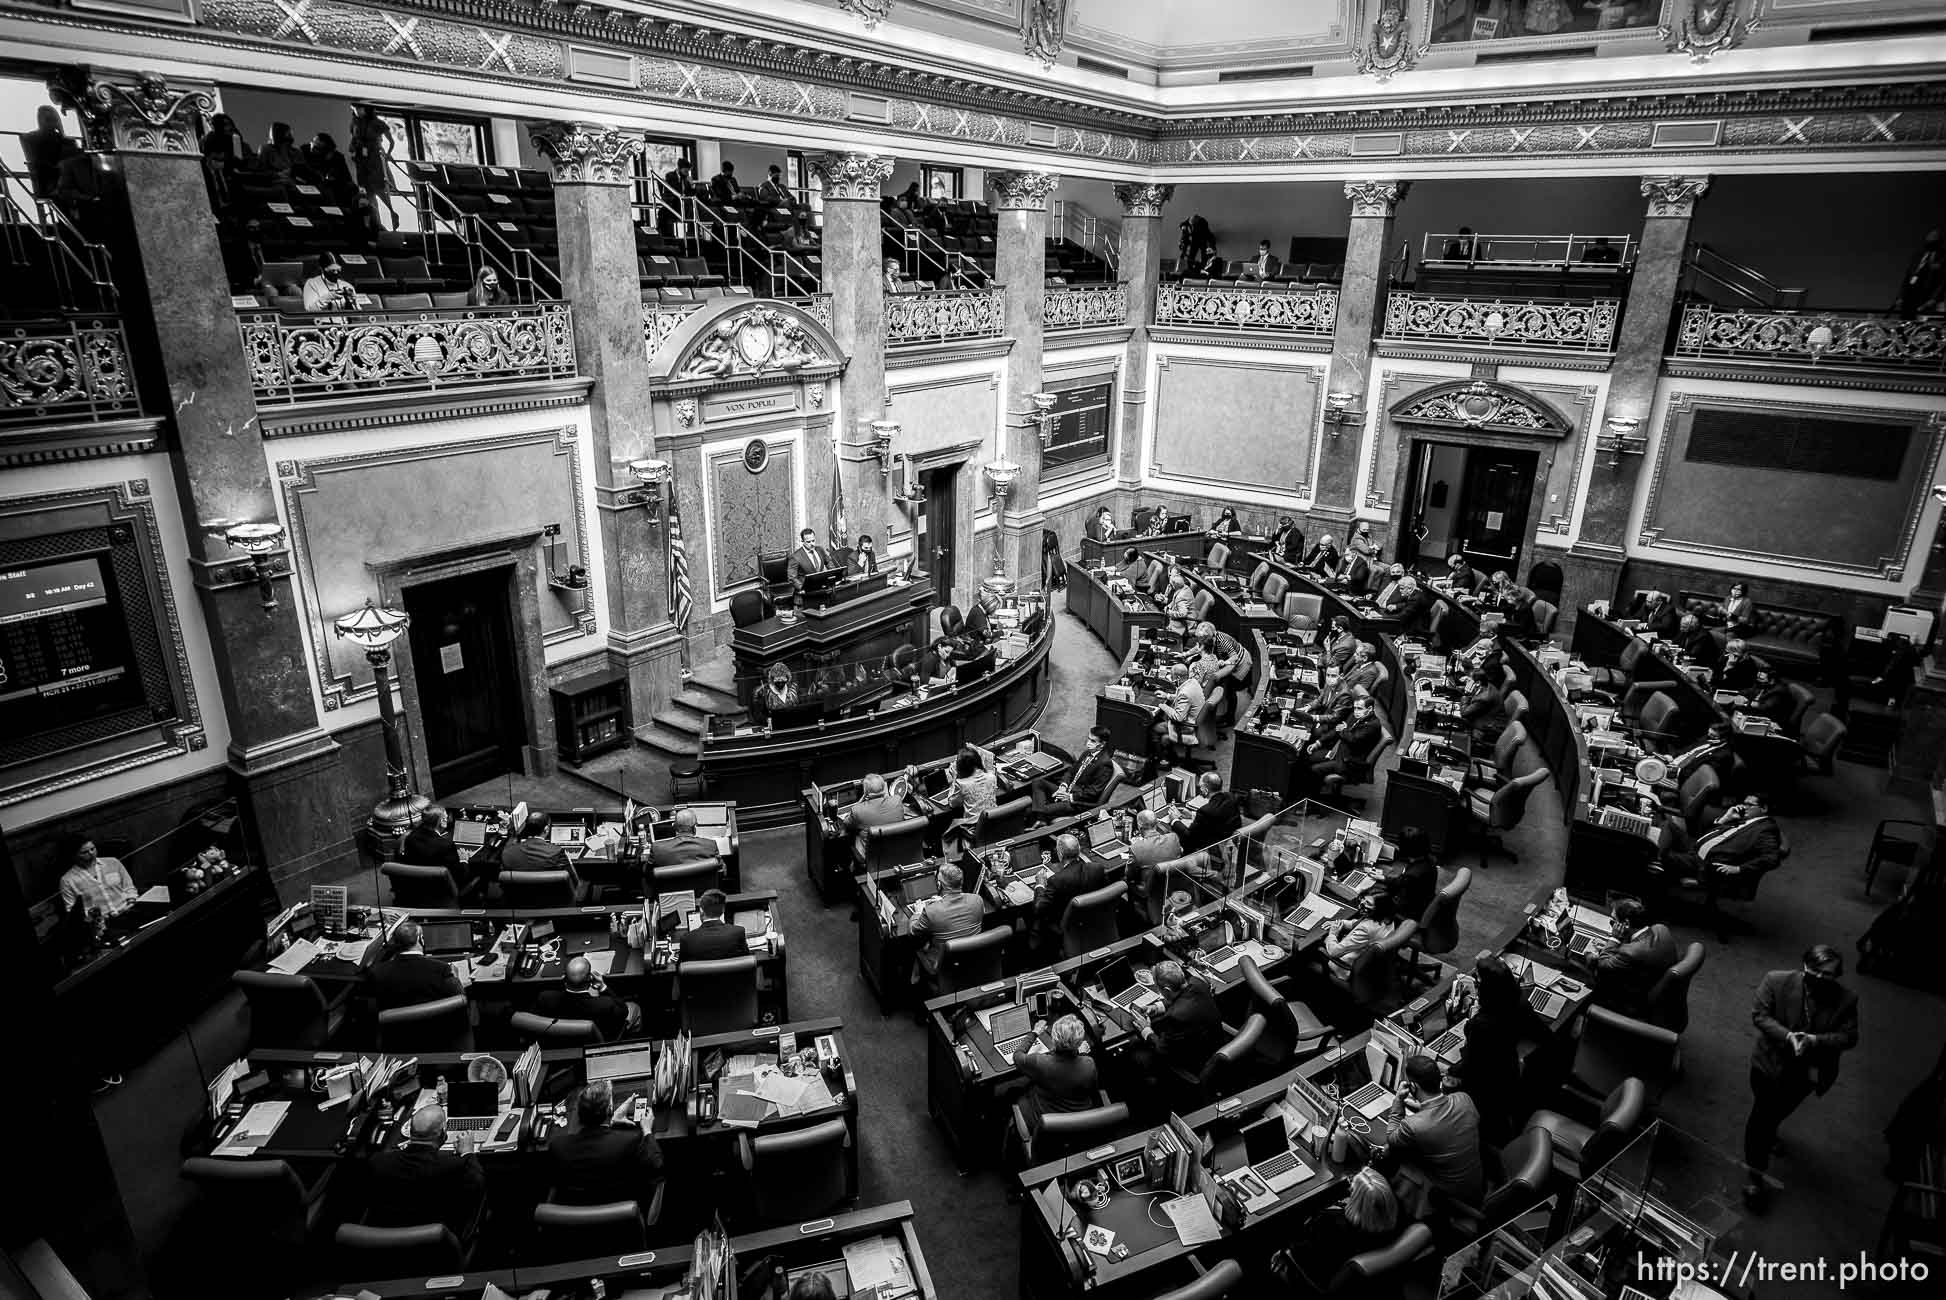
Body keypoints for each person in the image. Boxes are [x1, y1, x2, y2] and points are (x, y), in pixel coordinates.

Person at [1742, 945, 1859, 1208]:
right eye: (1814, 971)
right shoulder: (1776, 980)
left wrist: (1815, 1041)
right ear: (1804, 966)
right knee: (1761, 1117)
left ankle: (1770, 1133)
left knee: (1778, 1111)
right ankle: (1755, 1174)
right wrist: (1788, 1036)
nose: (1819, 978)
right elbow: (1760, 1015)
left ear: (1837, 975)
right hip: (1769, 1064)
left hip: (1807, 1073)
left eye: (1827, 974)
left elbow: (1849, 1037)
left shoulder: (1846, 1000)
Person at [1452, 955, 1548, 1145]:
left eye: (1478, 981)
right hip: (1509, 1074)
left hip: (1484, 1089)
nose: (1476, 984)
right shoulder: (1519, 1003)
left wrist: (1449, 1070)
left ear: (1487, 988)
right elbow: (1543, 1035)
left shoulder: (1481, 1024)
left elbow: (1470, 1065)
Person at [1381, 1055, 1486, 1217]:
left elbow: (1392, 1138)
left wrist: (1398, 1101)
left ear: (1413, 1087)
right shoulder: (1464, 1099)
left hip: (1447, 1195)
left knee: (1388, 1153)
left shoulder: (1414, 1126)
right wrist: (1423, 1107)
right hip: (1475, 1185)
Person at [364, 1103, 487, 1236]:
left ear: (410, 1131)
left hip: (385, 1245)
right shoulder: (455, 1167)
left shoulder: (377, 1162)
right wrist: (468, 1153)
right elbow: (478, 1187)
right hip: (436, 1246)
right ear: (443, 1132)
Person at [547, 1078, 664, 1205]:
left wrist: (612, 1123)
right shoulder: (629, 1141)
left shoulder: (558, 1146)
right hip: (621, 1215)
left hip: (576, 1218)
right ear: (608, 1110)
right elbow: (657, 1165)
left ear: (579, 1112)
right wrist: (647, 1130)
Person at [1288, 1167, 1401, 1288]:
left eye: (1352, 1189)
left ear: (1357, 1200)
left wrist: (1287, 1253)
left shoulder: (1331, 1224)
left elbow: (1302, 1252)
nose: (1349, 1188)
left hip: (1318, 1272)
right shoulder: (1393, 1220)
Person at [1660, 793, 1782, 902]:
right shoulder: (1743, 819)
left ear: (1764, 808)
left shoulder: (1766, 829)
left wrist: (1739, 869)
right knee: (1668, 824)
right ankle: (1657, 854)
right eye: (1744, 803)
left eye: (1750, 805)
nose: (1744, 807)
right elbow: (1708, 833)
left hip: (1703, 863)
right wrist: (1725, 819)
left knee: (1661, 855)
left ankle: (1656, 858)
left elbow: (1772, 858)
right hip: (1696, 846)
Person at [1589, 898, 1677, 1018]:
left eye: (1613, 921)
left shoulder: (1631, 952)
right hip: (1654, 985)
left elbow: (1603, 965)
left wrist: (1614, 939)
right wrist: (1612, 946)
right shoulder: (1661, 929)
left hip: (1631, 1000)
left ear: (1625, 924)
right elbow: (1636, 947)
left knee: (1589, 972)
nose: (1612, 926)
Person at [1137, 960, 1224, 1078]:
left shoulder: (1176, 1016)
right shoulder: (1198, 983)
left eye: (1159, 989)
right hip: (1213, 1044)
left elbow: (1162, 1050)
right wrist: (1156, 1007)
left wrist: (1146, 1030)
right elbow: (1184, 997)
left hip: (1195, 1064)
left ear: (1167, 990)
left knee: (1138, 1056)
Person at [1015, 1014, 1099, 1132]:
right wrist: (1082, 1055)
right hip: (1081, 1121)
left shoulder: (1041, 1062)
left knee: (1015, 1094)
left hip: (1048, 1122)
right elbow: (1092, 1088)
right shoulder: (1089, 1063)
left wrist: (1034, 1032)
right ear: (1080, 1043)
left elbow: (1017, 1055)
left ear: (1054, 1039)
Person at [909, 861, 986, 981]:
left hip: (943, 964)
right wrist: (942, 901)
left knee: (916, 947)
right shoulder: (977, 900)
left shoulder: (931, 911)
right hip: (973, 958)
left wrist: (918, 912)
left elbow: (913, 931)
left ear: (939, 885)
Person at [537, 953, 640, 1041]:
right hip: (601, 1040)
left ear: (564, 978)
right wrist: (603, 988)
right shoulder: (606, 1004)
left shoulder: (544, 998)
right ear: (590, 979)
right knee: (634, 1007)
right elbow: (624, 1011)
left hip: (560, 1044)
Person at [1301, 692, 1385, 798]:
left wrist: (1343, 730)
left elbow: (1352, 739)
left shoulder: (1373, 726)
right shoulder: (1356, 716)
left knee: (1315, 769)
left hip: (1350, 762)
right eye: (1355, 708)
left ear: (1370, 709)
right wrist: (1319, 742)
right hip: (1339, 752)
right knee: (1306, 757)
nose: (1356, 711)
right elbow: (1338, 730)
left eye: (1360, 708)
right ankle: (1302, 793)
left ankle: (1312, 805)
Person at [367, 920, 463, 1011]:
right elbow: (460, 1000)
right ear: (420, 939)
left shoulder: (377, 972)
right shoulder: (443, 969)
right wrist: (455, 978)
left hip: (394, 1027)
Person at [1030, 726, 1119, 817]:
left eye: (1093, 741)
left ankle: (1039, 817)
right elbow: (1070, 772)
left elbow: (1093, 793)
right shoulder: (1087, 753)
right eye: (1088, 739)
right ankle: (1040, 819)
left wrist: (1069, 797)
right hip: (1068, 790)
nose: (1088, 743)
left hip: (1078, 802)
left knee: (1036, 810)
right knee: (1038, 782)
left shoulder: (1105, 764)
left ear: (1102, 744)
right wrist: (1063, 786)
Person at [1035, 834, 1104, 946]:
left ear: (1060, 853)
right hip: (1094, 920)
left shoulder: (1056, 880)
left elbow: (1038, 908)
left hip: (1067, 924)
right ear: (1079, 850)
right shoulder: (1097, 869)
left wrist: (1040, 885)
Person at [58, 837, 139, 920]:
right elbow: (72, 911)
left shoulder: (113, 862)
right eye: (84, 852)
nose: (91, 853)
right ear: (74, 855)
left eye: (92, 849)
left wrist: (131, 902)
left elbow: (129, 887)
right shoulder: (67, 880)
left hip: (128, 911)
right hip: (99, 924)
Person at [1325, 887, 1401, 973]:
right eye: (1363, 899)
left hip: (1345, 966)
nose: (1362, 903)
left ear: (1379, 908)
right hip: (1371, 963)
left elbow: (1334, 951)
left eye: (1368, 903)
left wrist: (1332, 935)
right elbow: (1357, 923)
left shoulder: (1366, 929)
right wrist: (1341, 923)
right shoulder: (1385, 918)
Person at [845, 772, 912, 863]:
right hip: (895, 850)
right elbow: (887, 801)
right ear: (884, 787)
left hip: (870, 856)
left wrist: (863, 797)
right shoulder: (897, 801)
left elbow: (847, 823)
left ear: (865, 791)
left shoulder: (857, 810)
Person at [1172, 771, 1243, 855]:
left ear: (1206, 790)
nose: (1199, 789)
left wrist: (1175, 820)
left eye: (1200, 787)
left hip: (1211, 847)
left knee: (1176, 836)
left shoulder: (1205, 811)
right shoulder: (1230, 797)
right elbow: (1217, 818)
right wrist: (1192, 815)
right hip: (1229, 838)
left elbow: (1189, 836)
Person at [347, 104, 395, 228]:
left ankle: (391, 212)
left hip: (374, 159)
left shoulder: (378, 123)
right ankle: (374, 222)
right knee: (364, 190)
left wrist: (388, 154)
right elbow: (352, 140)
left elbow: (391, 141)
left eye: (358, 108)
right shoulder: (355, 122)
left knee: (376, 187)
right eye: (354, 109)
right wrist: (353, 149)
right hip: (360, 159)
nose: (356, 111)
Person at [21, 105, 81, 200]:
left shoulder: (66, 141)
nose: (52, 122)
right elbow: (38, 162)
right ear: (40, 121)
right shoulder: (32, 139)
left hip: (68, 176)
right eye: (48, 119)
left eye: (54, 119)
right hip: (50, 179)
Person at [399, 805, 466, 889]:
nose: (447, 819)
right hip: (440, 889)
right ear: (442, 821)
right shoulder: (446, 846)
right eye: (445, 817)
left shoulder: (410, 838)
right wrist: (463, 858)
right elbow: (462, 875)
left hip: (416, 886)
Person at [679, 889, 749, 961]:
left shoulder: (687, 939)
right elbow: (747, 961)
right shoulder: (738, 932)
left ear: (701, 911)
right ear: (723, 911)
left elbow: (680, 968)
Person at [1386, 827, 1439, 923]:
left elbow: (1398, 885)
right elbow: (1402, 881)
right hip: (1422, 903)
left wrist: (1383, 879)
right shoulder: (1430, 860)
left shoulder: (1413, 874)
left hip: (1409, 913)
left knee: (1374, 894)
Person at [1127, 810, 1185, 897]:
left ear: (1139, 827)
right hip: (1174, 885)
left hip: (1150, 891)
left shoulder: (1136, 848)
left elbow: (1129, 875)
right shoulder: (1174, 837)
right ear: (1157, 823)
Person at [1154, 662, 1206, 755]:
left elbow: (1178, 717)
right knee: (1161, 721)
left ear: (1178, 678)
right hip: (1197, 721)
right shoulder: (1193, 682)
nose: (1171, 678)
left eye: (1172, 676)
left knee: (1155, 728)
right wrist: (1167, 696)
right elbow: (1184, 698)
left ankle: (1165, 759)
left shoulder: (1185, 693)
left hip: (1187, 727)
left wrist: (1163, 706)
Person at [500, 809, 571, 877]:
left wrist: (512, 834)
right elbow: (572, 880)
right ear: (546, 829)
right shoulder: (556, 851)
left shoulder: (507, 852)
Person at [649, 806, 720, 873]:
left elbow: (647, 871)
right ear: (694, 827)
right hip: (705, 886)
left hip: (670, 886)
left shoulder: (657, 848)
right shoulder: (710, 846)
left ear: (675, 827)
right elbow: (722, 871)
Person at [1894, 229, 1946, 318]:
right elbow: (1908, 277)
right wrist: (1901, 296)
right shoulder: (1918, 255)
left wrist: (1934, 298)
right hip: (1911, 295)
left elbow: (1943, 281)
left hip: (1929, 297)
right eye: (1930, 236)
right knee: (1906, 322)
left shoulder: (1943, 257)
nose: (1931, 239)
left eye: (1935, 237)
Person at [1741, 665, 1797, 733]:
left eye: (1761, 679)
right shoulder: (1765, 683)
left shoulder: (1778, 691)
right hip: (1759, 715)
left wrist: (1746, 702)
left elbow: (1764, 708)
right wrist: (1739, 694)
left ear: (1772, 680)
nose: (1758, 681)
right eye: (1758, 677)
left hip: (1772, 723)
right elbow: (1751, 691)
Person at [1458, 665, 1506, 743]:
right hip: (1488, 718)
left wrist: (1466, 694)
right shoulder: (1486, 685)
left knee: (1457, 723)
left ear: (1478, 682)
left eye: (1470, 680)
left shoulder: (1484, 698)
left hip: (1489, 730)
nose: (1468, 681)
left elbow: (1464, 713)